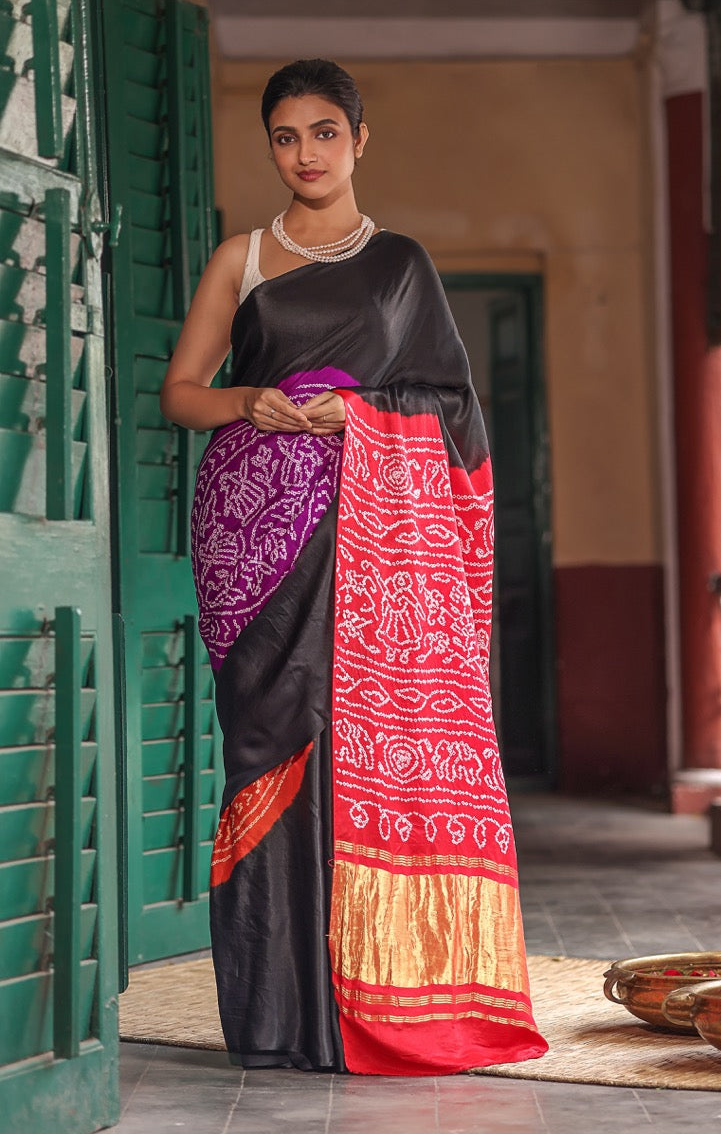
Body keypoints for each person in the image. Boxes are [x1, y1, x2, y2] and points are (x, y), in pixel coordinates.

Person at [160, 58, 547, 1076]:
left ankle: (378, 1002)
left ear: (359, 139)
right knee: (271, 757)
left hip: (382, 542)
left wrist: (365, 416)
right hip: (258, 544)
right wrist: (251, 401)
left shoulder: (403, 266)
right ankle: (277, 1011)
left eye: (324, 132)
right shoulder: (240, 260)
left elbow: (454, 412)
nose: (305, 154)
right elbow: (183, 392)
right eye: (286, 136)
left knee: (357, 760)